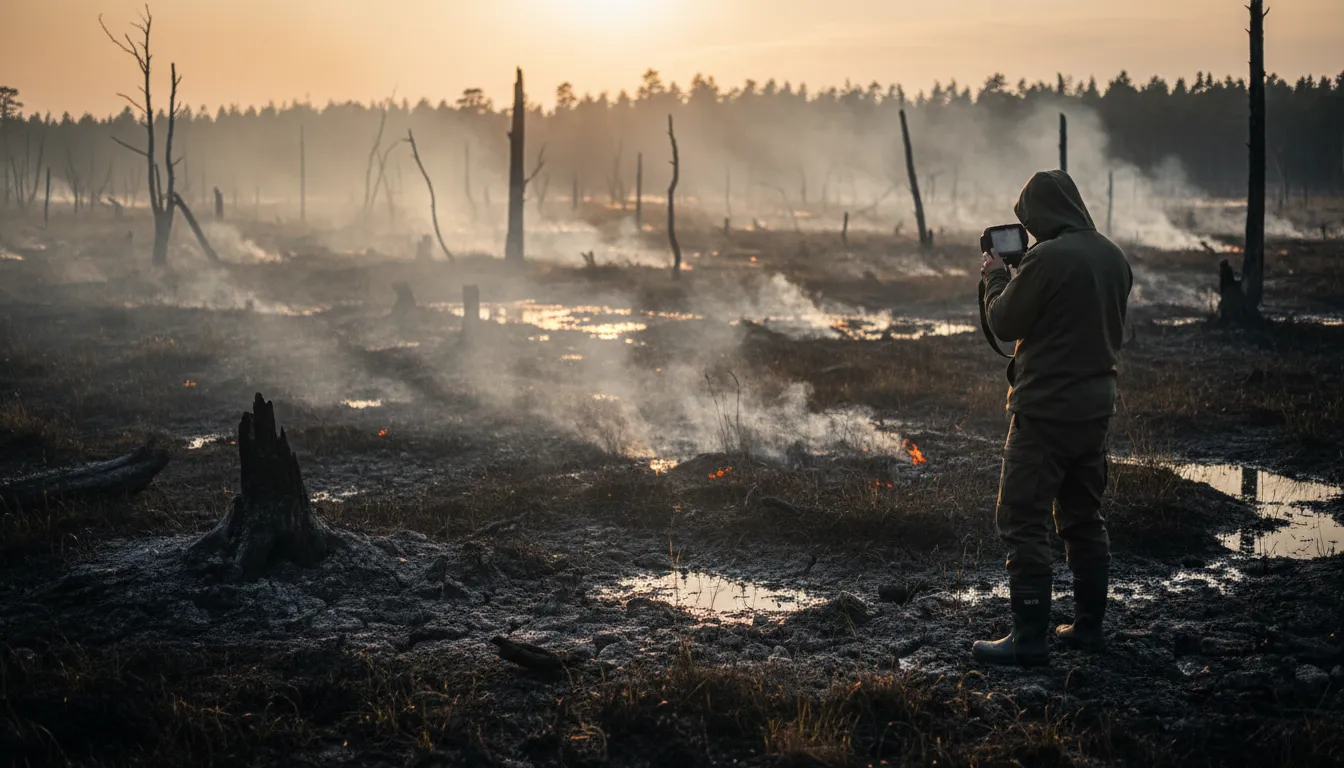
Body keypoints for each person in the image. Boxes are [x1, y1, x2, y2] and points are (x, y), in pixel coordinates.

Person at [973, 170, 1133, 666]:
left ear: (1040, 214)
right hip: (1094, 413)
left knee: (1022, 518)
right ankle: (1087, 628)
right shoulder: (1113, 256)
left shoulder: (1046, 258)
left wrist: (997, 275)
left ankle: (1028, 638)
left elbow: (1004, 320)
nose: (1029, 233)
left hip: (1044, 415)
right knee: (1084, 518)